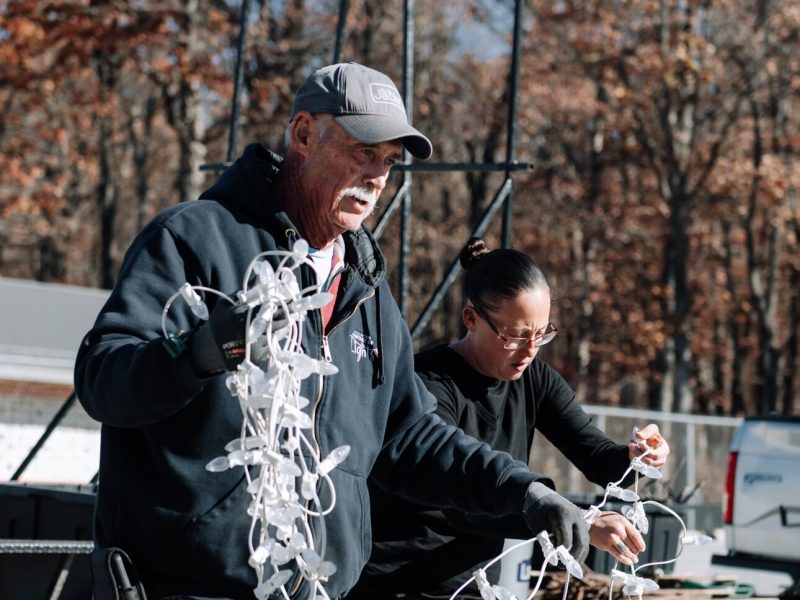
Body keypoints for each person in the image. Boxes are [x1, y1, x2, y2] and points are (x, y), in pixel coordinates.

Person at [74, 63, 593, 600]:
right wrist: (198, 352)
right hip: (183, 586)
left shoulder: (365, 288)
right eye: (362, 152)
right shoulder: (194, 238)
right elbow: (102, 379)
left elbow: (410, 435)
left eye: (389, 162)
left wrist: (522, 489)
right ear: (302, 134)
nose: (376, 178)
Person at [349, 238, 671, 600]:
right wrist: (572, 519)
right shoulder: (428, 384)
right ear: (471, 318)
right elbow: (461, 503)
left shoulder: (535, 378)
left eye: (541, 334)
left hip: (473, 582)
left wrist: (636, 456)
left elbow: (595, 455)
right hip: (395, 583)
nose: (530, 351)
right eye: (515, 336)